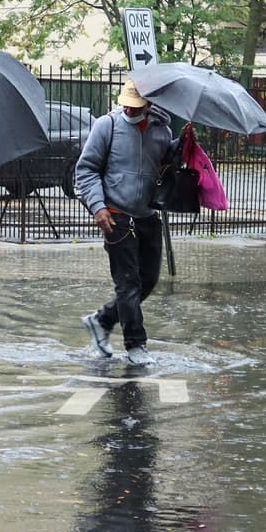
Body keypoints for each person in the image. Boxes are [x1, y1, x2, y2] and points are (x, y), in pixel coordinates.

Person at [74, 79, 176, 366]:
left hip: (147, 216)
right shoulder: (107, 125)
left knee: (148, 280)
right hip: (116, 215)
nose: (130, 111)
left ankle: (101, 321)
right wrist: (98, 207)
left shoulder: (162, 131)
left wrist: (183, 146)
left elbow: (167, 168)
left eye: (136, 107)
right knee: (128, 283)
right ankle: (136, 345)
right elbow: (87, 169)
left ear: (149, 105)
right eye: (127, 106)